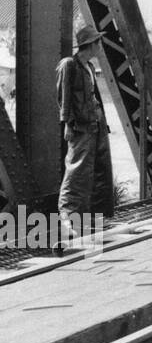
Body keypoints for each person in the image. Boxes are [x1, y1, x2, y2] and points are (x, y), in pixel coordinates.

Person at [55, 24, 115, 243]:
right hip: (79, 126)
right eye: (98, 42)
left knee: (96, 171)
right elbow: (63, 96)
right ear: (90, 44)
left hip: (95, 125)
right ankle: (67, 220)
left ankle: (89, 219)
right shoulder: (69, 64)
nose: (100, 46)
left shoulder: (88, 66)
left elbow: (92, 96)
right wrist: (67, 124)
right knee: (76, 171)